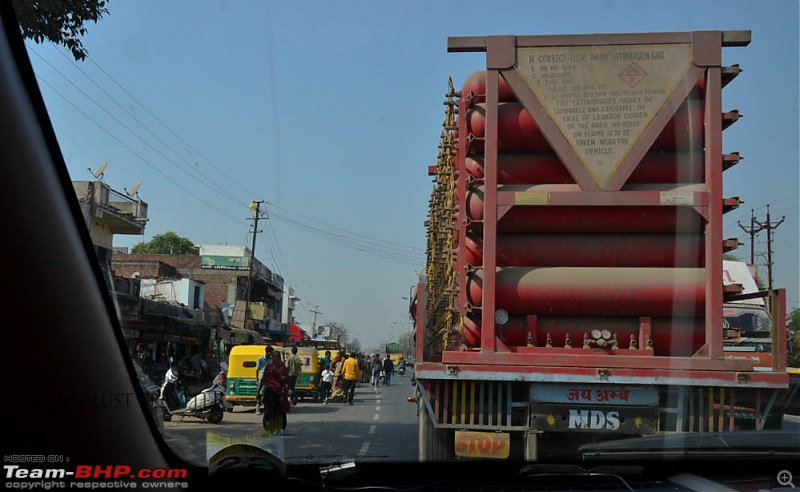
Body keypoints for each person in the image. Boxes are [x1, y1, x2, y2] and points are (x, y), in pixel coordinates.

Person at [260, 350, 290, 433]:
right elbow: (264, 379)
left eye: (277, 357)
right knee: (268, 409)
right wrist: (259, 391)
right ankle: (268, 426)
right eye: (274, 357)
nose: (276, 358)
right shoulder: (268, 367)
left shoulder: (283, 368)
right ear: (272, 358)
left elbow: (286, 379)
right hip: (269, 391)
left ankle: (280, 427)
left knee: (280, 410)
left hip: (280, 392)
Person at [255, 345, 274, 414]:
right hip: (262, 378)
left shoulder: (271, 360)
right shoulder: (260, 359)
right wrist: (256, 378)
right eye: (271, 352)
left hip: (269, 378)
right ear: (268, 352)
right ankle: (257, 408)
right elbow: (257, 369)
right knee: (260, 392)